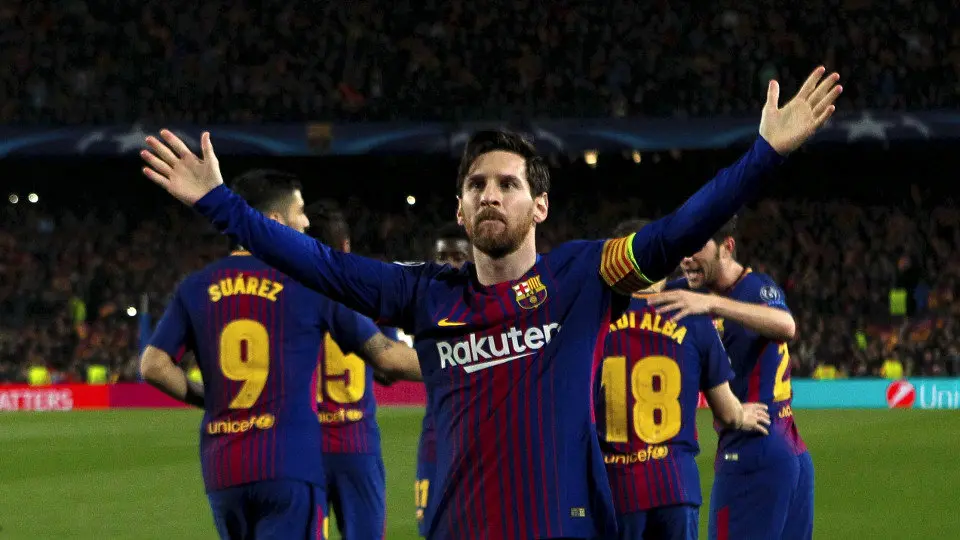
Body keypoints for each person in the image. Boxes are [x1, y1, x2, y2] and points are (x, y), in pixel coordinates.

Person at [140, 66, 840, 539]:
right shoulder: (423, 292)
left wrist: (764, 156)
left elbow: (676, 232)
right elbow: (315, 260)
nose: (489, 194)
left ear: (539, 204)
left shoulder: (584, 275)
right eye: (476, 185)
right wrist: (218, 202)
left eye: (507, 183)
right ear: (459, 206)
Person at [139, 170, 419, 540]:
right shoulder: (309, 280)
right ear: (274, 221)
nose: (306, 221)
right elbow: (386, 358)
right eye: (299, 211)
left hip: (223, 469)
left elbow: (153, 365)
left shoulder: (195, 287)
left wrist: (209, 400)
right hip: (287, 463)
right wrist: (459, 359)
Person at [597, 220, 770, 540]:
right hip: (675, 485)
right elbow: (727, 411)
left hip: (617, 488)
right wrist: (741, 415)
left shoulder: (592, 320)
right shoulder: (690, 313)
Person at [648, 217, 813, 540]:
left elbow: (786, 326)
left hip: (754, 449)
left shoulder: (755, 288)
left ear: (727, 248)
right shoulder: (686, 290)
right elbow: (644, 295)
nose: (686, 257)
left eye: (696, 246)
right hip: (783, 450)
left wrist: (713, 304)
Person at [305, 198, 392, 540]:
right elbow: (387, 368)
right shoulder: (370, 294)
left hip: (302, 446)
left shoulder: (286, 295)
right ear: (345, 246)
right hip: (356, 443)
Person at [415, 223, 471, 538]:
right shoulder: (421, 304)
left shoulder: (499, 304)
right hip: (436, 436)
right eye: (442, 256)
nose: (449, 263)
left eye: (458, 256)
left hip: (481, 439)